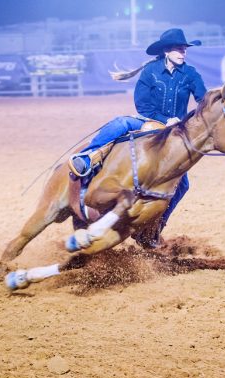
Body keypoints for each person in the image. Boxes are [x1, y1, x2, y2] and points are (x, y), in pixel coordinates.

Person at [69, 28, 207, 247]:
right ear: (166, 51)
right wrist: (165, 119)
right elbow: (142, 104)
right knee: (121, 123)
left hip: (175, 132)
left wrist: (210, 104)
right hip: (149, 122)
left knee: (182, 185)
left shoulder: (191, 74)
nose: (183, 52)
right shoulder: (151, 71)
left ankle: (156, 226)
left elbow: (204, 99)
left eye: (184, 48)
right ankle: (87, 157)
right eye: (179, 48)